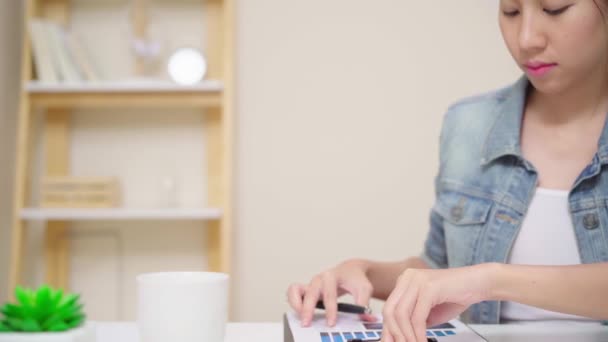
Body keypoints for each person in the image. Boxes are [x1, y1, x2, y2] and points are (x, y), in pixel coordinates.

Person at [286, 1, 608, 341]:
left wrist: (490, 281)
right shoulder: (469, 124)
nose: (526, 38)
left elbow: (472, 280)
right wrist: (364, 271)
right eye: (511, 12)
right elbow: (443, 271)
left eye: (555, 8)